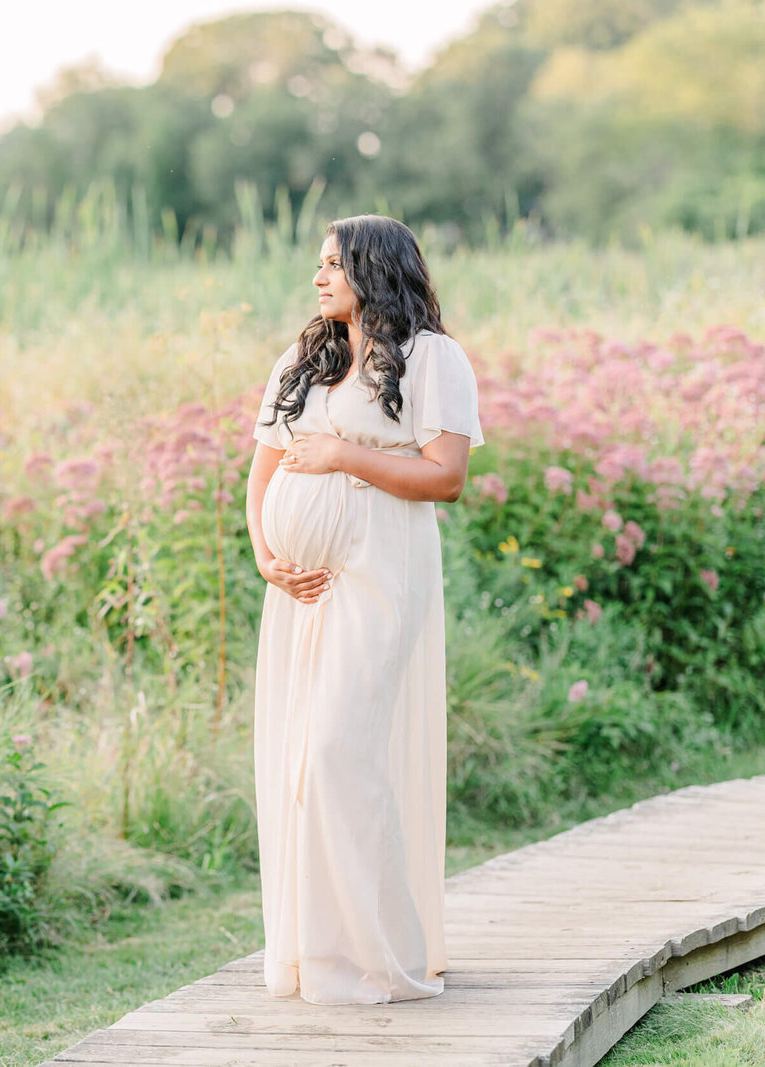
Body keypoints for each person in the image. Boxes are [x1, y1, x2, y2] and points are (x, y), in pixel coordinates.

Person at [244, 213, 484, 1004]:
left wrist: (344, 455)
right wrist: (265, 554)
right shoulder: (304, 356)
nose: (318, 278)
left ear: (376, 269)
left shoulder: (430, 358)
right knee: (300, 759)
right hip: (302, 584)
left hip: (381, 568)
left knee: (339, 750)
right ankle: (315, 953)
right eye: (317, 264)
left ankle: (383, 956)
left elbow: (445, 476)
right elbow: (265, 469)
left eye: (333, 264)